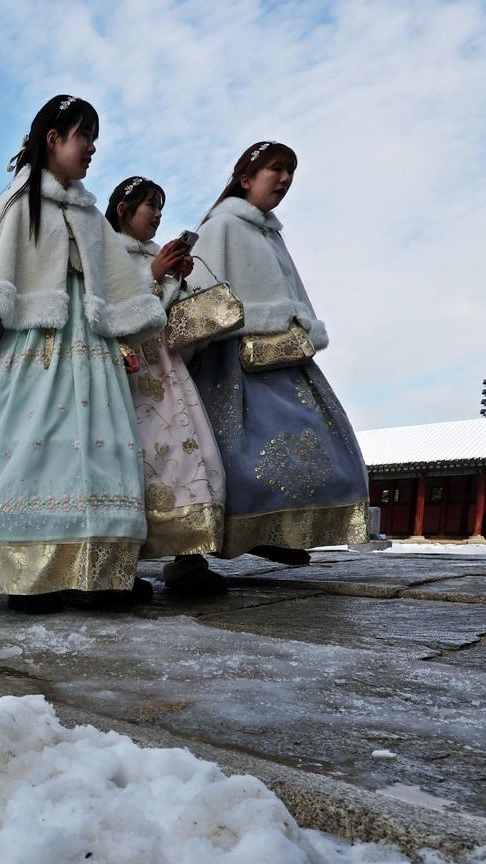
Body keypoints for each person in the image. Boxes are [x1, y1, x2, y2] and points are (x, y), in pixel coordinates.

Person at [0, 95, 166, 614]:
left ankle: (98, 571)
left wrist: (124, 338)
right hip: (33, 351)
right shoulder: (15, 205)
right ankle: (29, 572)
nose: (92, 148)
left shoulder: (89, 213)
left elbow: (113, 285)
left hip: (91, 352)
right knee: (35, 453)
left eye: (95, 138)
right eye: (84, 136)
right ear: (53, 139)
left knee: (98, 453)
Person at [186, 142, 369, 562]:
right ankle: (197, 556)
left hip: (285, 357)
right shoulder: (222, 228)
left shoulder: (270, 233)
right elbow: (198, 295)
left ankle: (275, 531)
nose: (285, 180)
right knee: (229, 454)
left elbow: (293, 293)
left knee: (313, 444)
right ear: (246, 179)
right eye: (276, 170)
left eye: (290, 172)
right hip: (232, 361)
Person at [107, 175, 228, 595]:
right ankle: (123, 565)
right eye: (150, 206)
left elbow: (164, 314)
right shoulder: (106, 254)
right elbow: (115, 313)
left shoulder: (155, 254)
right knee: (135, 464)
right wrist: (154, 277)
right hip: (130, 371)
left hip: (167, 368)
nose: (158, 215)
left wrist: (177, 279)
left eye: (161, 207)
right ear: (123, 210)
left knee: (188, 453)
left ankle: (189, 557)